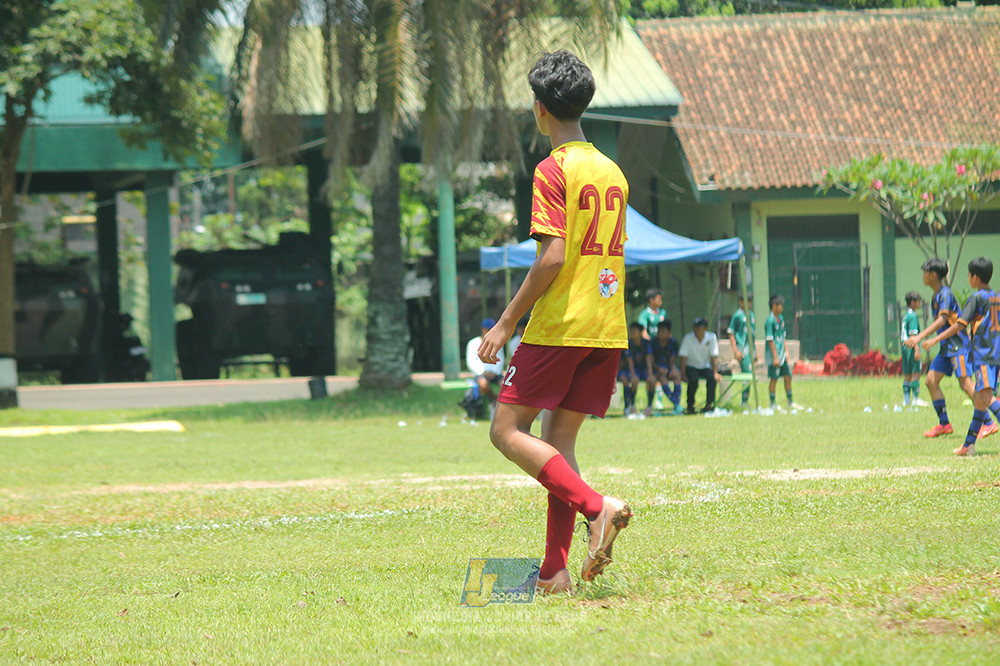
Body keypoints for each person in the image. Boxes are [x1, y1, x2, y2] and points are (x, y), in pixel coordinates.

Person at [477, 50, 633, 596]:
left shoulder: (552, 169)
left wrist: (503, 325)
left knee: (505, 431)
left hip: (561, 325)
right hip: (607, 325)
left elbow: (551, 257)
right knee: (558, 443)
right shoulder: (612, 171)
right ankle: (554, 573)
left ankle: (598, 507)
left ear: (540, 110)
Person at [905, 258, 998, 439]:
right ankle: (944, 424)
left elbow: (943, 320)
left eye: (925, 272)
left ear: (933, 275)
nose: (923, 275)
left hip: (958, 346)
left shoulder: (945, 294)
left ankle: (988, 423)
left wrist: (921, 338)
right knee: (931, 381)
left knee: (966, 384)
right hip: (947, 348)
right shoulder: (936, 295)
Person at [764, 295, 804, 410]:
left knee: (788, 376)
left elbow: (783, 336)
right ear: (774, 306)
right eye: (780, 305)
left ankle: (790, 401)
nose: (782, 308)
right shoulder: (769, 321)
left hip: (782, 355)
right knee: (774, 378)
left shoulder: (780, 318)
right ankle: (772, 403)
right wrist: (775, 357)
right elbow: (770, 340)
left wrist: (786, 352)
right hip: (774, 356)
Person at [678, 317, 722, 414]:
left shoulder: (711, 337)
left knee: (711, 379)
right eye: (696, 327)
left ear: (705, 328)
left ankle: (709, 404)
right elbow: (683, 359)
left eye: (699, 327)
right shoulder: (688, 339)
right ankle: (690, 405)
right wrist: (683, 374)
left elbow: (713, 357)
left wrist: (715, 372)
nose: (697, 329)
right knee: (693, 380)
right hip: (691, 366)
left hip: (704, 366)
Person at [618, 322, 656, 418]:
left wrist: (651, 374)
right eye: (630, 331)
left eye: (634, 331)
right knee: (633, 381)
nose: (632, 333)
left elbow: (649, 359)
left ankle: (649, 406)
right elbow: (629, 360)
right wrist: (633, 375)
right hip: (630, 369)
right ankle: (631, 405)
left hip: (643, 369)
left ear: (640, 333)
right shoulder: (629, 343)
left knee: (652, 380)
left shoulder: (646, 344)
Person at [465, 317, 505, 407]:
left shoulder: (498, 343)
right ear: (483, 330)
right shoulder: (473, 343)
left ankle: (502, 402)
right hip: (481, 373)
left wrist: (494, 372)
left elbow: (500, 359)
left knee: (505, 384)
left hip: (494, 373)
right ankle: (494, 399)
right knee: (483, 384)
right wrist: (482, 372)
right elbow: (471, 362)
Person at [726, 294, 755, 408]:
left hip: (750, 350)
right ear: (740, 302)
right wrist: (736, 350)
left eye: (750, 302)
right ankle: (744, 401)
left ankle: (745, 401)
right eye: (746, 302)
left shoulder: (751, 315)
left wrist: (755, 351)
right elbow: (731, 333)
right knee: (747, 375)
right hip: (742, 350)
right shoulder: (737, 315)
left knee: (750, 375)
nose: (749, 304)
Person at [652, 319, 683, 415]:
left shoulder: (673, 343)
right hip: (655, 369)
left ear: (669, 333)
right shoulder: (653, 343)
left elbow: (672, 360)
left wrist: (672, 368)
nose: (660, 334)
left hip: (668, 367)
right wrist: (658, 368)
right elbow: (650, 360)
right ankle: (676, 403)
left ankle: (676, 404)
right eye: (659, 331)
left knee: (677, 375)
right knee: (661, 377)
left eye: (663, 332)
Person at [900, 291, 925, 407]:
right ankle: (915, 399)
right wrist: (917, 349)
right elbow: (913, 335)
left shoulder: (906, 315)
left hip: (904, 347)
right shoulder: (913, 316)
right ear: (912, 302)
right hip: (911, 346)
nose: (920, 303)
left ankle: (906, 400)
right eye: (918, 301)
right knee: (916, 372)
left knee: (907, 374)